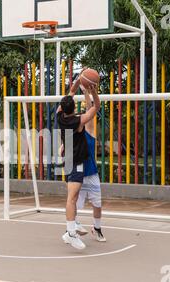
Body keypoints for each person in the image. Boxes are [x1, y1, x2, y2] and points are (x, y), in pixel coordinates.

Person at [56, 70, 101, 250]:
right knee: (72, 198)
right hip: (77, 162)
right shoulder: (79, 121)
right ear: (73, 108)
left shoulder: (59, 117)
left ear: (62, 108)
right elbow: (96, 107)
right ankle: (70, 233)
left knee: (72, 198)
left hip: (68, 161)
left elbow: (68, 96)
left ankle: (72, 228)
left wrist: (76, 84)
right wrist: (93, 90)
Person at [73, 85, 106, 242]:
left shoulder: (89, 133)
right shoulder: (72, 136)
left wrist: (87, 92)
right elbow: (61, 153)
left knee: (97, 204)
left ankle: (97, 228)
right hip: (77, 175)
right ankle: (74, 225)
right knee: (73, 204)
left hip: (91, 173)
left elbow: (90, 109)